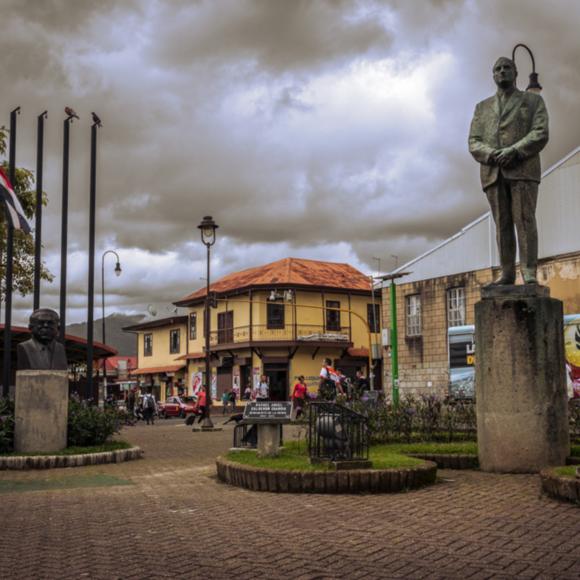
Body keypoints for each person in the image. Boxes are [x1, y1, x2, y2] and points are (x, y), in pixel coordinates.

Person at [469, 56, 549, 286]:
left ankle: (529, 271)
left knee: (524, 220)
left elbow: (540, 132)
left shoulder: (533, 101)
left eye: (507, 68)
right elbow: (473, 141)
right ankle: (507, 273)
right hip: (493, 173)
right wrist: (492, 154)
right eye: (498, 69)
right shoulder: (482, 108)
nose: (502, 71)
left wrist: (514, 150)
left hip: (523, 170)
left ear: (516, 73)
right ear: (493, 75)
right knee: (501, 224)